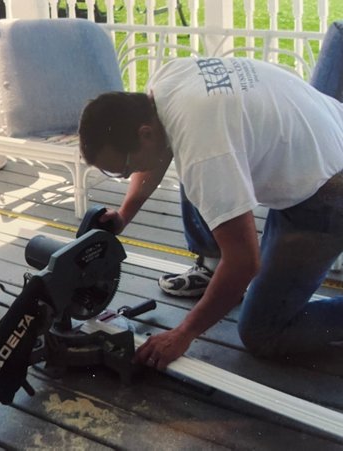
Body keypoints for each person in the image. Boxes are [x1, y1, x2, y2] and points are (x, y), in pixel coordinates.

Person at [78, 56, 343, 370]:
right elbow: (156, 159)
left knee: (263, 331)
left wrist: (183, 333)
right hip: (323, 136)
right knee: (200, 181)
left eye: (122, 169)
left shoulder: (205, 153)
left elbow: (245, 262)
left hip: (328, 192)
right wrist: (124, 214)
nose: (126, 175)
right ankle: (214, 267)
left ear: (144, 134)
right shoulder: (166, 83)